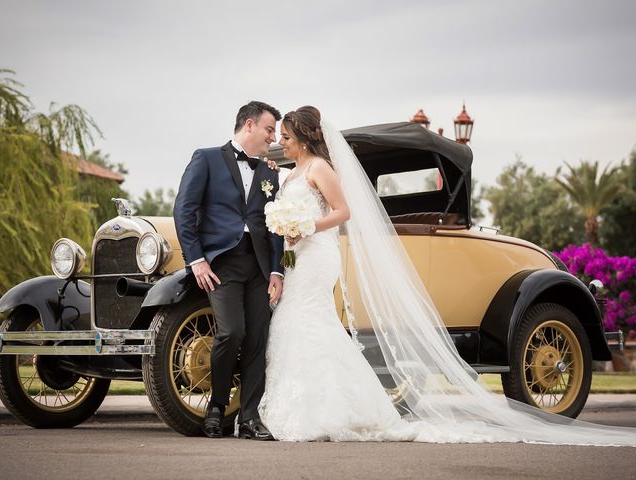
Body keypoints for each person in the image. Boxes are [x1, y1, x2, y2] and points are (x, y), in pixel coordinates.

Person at [259, 105, 636, 445]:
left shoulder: (322, 168)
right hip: (300, 256)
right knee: (297, 324)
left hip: (316, 252)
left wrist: (309, 226)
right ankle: (306, 407)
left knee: (312, 323)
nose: (282, 142)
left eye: (287, 137)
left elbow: (343, 211)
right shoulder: (294, 172)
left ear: (305, 137)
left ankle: (328, 410)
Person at [174, 101, 284, 440]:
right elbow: (184, 209)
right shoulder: (206, 158)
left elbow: (276, 224)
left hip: (260, 266)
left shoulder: (269, 172)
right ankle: (217, 407)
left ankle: (249, 418)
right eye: (269, 129)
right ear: (249, 125)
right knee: (231, 332)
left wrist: (277, 271)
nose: (274, 137)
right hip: (222, 263)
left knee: (257, 339)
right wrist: (196, 259)